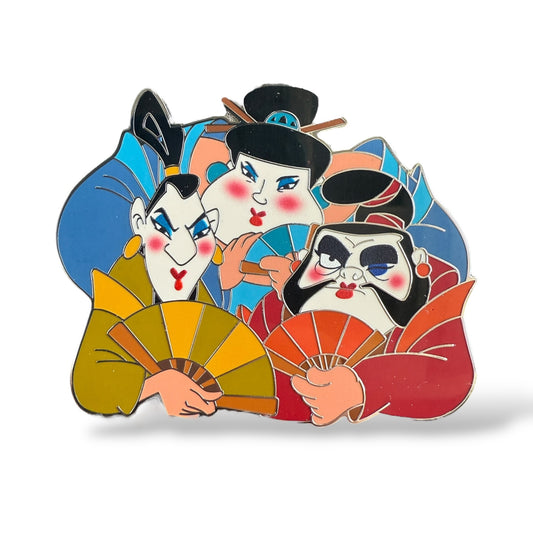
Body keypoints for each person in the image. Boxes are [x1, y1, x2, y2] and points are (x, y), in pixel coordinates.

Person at [248, 169, 475, 425]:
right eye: (330, 258)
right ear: (303, 260)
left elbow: (448, 377)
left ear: (416, 265)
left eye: (378, 267)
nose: (349, 275)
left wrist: (363, 387)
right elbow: (247, 371)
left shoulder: (433, 304)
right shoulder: (275, 310)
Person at [200, 84, 333, 296]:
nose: (260, 197)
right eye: (248, 175)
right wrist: (218, 282)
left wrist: (292, 293)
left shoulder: (320, 266)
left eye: (286, 186)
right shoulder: (193, 250)